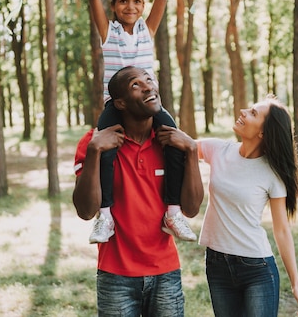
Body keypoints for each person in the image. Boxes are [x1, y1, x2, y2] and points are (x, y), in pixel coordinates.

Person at [71, 0, 197, 243]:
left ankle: (173, 212)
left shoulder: (147, 30)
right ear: (113, 6)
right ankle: (105, 216)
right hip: (117, 106)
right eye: (124, 1)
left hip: (151, 105)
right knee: (104, 153)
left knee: (175, 144)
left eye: (137, 1)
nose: (131, 6)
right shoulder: (108, 32)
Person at [159, 95, 298, 317]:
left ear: (263, 133)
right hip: (216, 263)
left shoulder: (272, 174)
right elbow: (179, 145)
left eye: (252, 113)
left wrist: (296, 284)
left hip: (257, 269)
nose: (242, 111)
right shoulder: (218, 149)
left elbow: (281, 230)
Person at [73, 66, 204, 316]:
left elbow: (191, 208)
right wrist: (93, 152)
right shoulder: (95, 142)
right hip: (116, 276)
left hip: (166, 273)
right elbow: (86, 211)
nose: (148, 86)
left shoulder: (173, 143)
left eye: (149, 79)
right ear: (120, 103)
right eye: (136, 85)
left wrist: (191, 151)